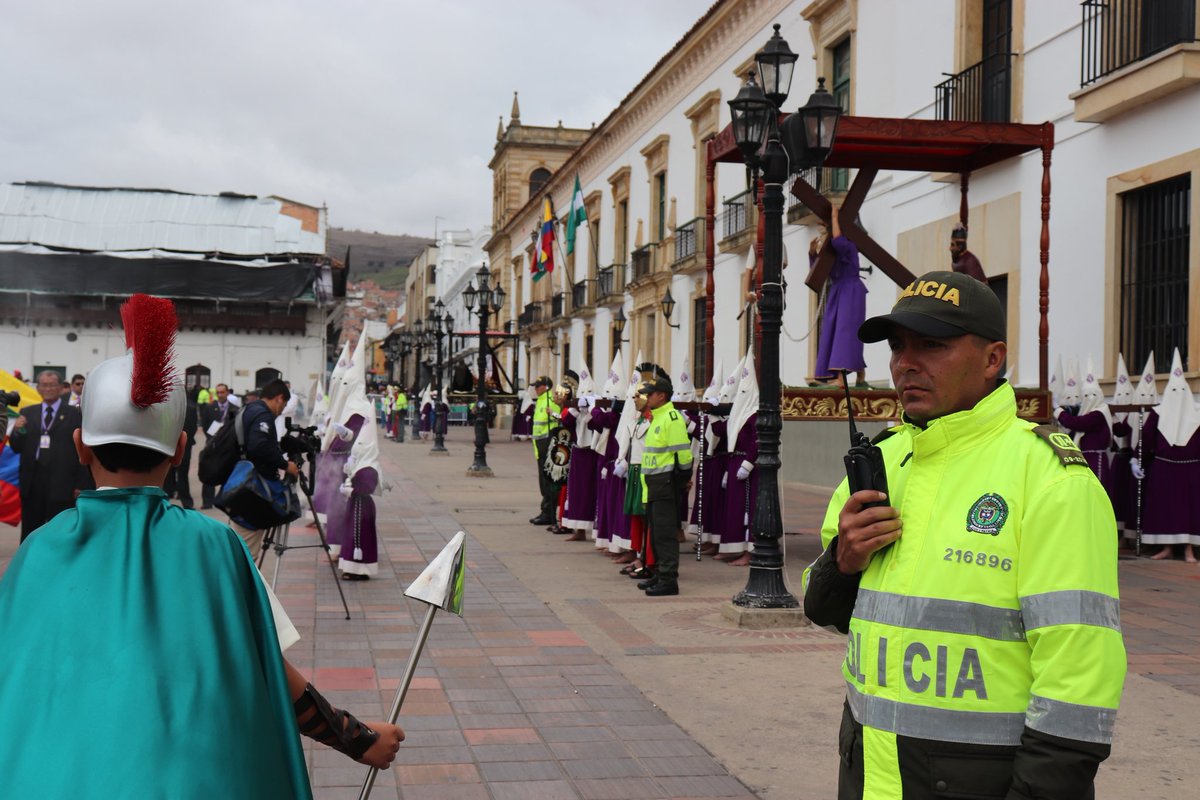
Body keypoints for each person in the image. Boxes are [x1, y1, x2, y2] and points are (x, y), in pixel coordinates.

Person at [0, 294, 402, 798]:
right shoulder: (216, 546)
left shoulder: (38, 550)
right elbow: (267, 669)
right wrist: (357, 738)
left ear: (80, 445)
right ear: (179, 450)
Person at [803, 271, 1125, 799]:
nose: (906, 363)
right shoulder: (881, 461)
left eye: (932, 345)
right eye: (898, 346)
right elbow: (825, 611)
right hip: (869, 774)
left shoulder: (1048, 477)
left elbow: (1079, 674)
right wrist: (843, 560)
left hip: (981, 780)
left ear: (992, 359)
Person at [7, 370, 93, 541]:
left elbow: (82, 449)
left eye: (52, 385)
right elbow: (17, 447)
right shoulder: (27, 412)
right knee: (30, 533)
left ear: (61, 388)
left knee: (60, 532)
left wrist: (81, 484)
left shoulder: (74, 414)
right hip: (32, 483)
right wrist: (18, 430)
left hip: (63, 483)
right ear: (38, 388)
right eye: (44, 385)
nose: (48, 389)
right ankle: (30, 564)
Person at [1137, 348, 1200, 562]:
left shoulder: (1197, 414)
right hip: (1164, 468)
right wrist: (1137, 460)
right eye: (1172, 391)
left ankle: (1189, 549)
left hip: (1191, 469)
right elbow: (1146, 439)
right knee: (1166, 508)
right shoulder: (1157, 414)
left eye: (1180, 391)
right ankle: (1167, 548)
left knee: (1190, 509)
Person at [636, 373, 694, 597]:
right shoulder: (656, 417)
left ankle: (669, 580)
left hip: (665, 483)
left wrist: (678, 482)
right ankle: (659, 574)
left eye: (650, 394)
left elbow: (684, 456)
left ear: (662, 396)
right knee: (655, 532)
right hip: (653, 483)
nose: (646, 398)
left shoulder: (671, 418)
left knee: (665, 534)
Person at [228, 379, 300, 556]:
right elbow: (259, 446)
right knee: (247, 553)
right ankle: (243, 583)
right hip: (253, 490)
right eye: (283, 406)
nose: (281, 411)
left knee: (240, 544)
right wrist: (285, 465)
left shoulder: (249, 409)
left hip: (242, 485)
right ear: (279, 398)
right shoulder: (263, 414)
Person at [812, 206, 868, 389]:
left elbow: (839, 242)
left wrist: (835, 217)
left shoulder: (849, 247)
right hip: (838, 291)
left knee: (845, 332)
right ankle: (855, 374)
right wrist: (813, 253)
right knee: (833, 331)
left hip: (851, 291)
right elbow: (818, 271)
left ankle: (842, 377)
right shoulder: (833, 253)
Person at [529, 375, 560, 526]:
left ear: (546, 386)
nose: (535, 389)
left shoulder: (550, 401)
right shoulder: (540, 401)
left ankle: (548, 512)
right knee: (543, 482)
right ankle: (545, 511)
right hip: (539, 446)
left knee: (547, 482)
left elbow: (557, 420)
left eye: (538, 386)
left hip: (546, 446)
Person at [199, 383, 234, 509]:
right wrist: (211, 438)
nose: (219, 395)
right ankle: (208, 501)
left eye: (222, 392)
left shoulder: (233, 408)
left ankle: (227, 500)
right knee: (209, 470)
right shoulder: (209, 407)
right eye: (217, 392)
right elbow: (205, 424)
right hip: (212, 443)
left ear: (227, 393)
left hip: (228, 444)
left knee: (229, 471)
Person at [163, 385, 199, 509]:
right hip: (185, 444)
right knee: (183, 474)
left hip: (167, 443)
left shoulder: (165, 406)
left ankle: (165, 501)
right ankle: (187, 503)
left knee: (167, 474)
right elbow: (193, 427)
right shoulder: (192, 407)